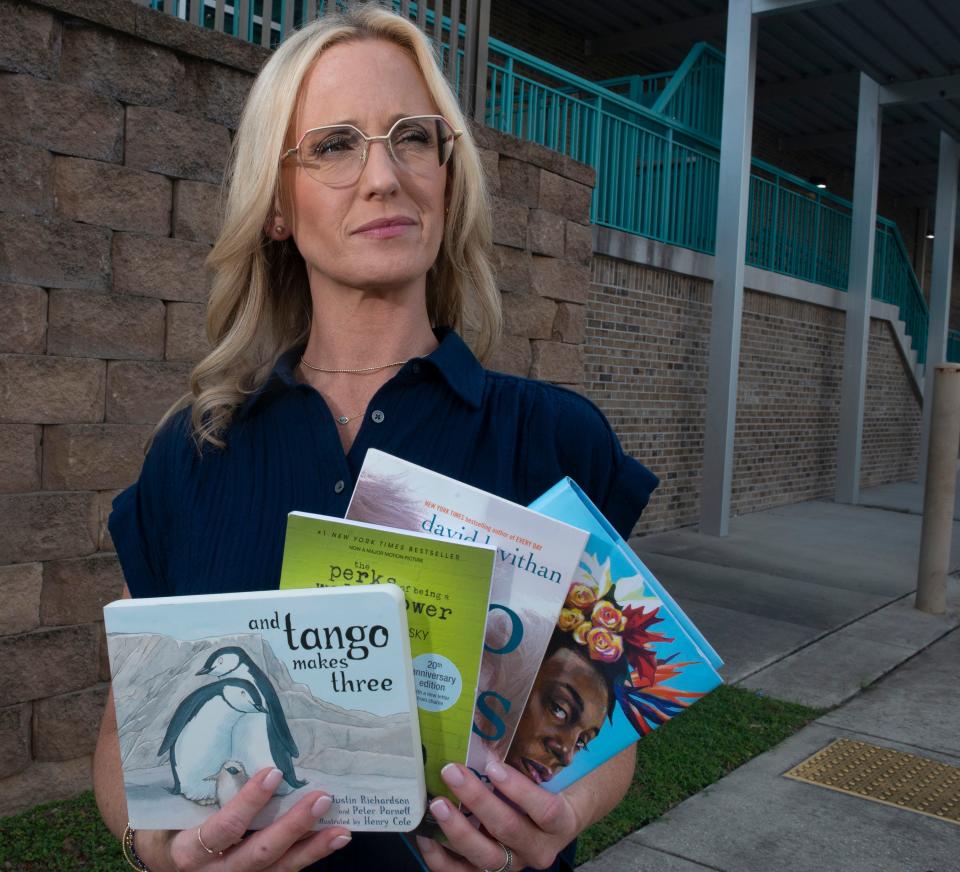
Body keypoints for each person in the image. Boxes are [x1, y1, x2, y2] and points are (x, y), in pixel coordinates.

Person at [92, 4, 659, 872]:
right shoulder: (194, 452)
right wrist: (159, 850)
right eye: (334, 145)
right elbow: (124, 742)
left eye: (412, 137)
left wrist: (550, 822)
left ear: (446, 173)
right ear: (276, 206)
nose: (384, 176)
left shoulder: (552, 438)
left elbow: (599, 721)